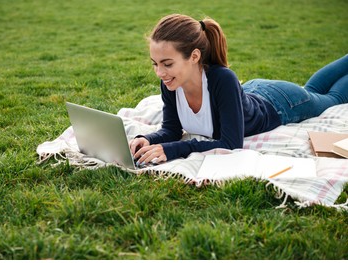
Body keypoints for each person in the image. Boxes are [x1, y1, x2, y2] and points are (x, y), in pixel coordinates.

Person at [129, 14, 348, 165]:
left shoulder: (221, 79)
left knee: (331, 98)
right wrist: (148, 140)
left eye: (167, 64)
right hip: (252, 91)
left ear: (194, 56)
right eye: (155, 64)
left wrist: (172, 150)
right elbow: (171, 130)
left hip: (279, 103)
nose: (160, 72)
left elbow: (231, 143)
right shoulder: (171, 83)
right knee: (313, 89)